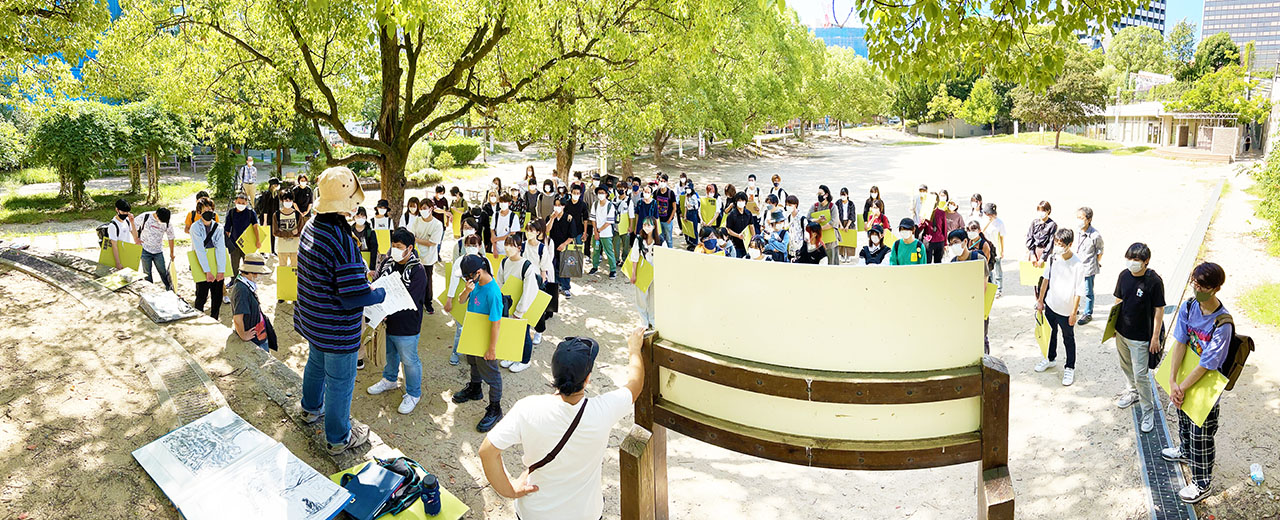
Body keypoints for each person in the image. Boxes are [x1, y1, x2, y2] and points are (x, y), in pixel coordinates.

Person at [479, 330, 646, 520]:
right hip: (585, 513)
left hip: (535, 513)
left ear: (554, 374)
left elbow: (487, 451)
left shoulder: (528, 408)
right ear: (587, 378)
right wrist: (634, 349)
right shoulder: (603, 410)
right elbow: (635, 385)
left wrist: (509, 490)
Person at [297, 167, 386, 455]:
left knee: (315, 364)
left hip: (313, 318)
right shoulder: (342, 239)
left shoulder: (311, 226)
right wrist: (381, 292)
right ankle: (338, 438)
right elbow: (353, 296)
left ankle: (310, 409)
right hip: (337, 327)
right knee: (340, 382)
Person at [1160, 262, 1231, 504]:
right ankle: (1184, 450)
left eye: (1202, 286)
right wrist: (1173, 380)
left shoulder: (1223, 324)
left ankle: (1202, 483)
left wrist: (1181, 387)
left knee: (1201, 435)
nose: (1197, 289)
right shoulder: (1189, 307)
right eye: (1195, 283)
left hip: (1205, 385)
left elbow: (1207, 364)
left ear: (1216, 288)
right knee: (1183, 417)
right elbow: (1180, 342)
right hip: (1184, 378)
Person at [366, 229, 429, 415]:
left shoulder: (418, 271)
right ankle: (390, 379)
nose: (394, 249)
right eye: (393, 245)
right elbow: (376, 283)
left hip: (407, 325)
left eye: (399, 247)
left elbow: (410, 300)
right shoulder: (387, 263)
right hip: (386, 321)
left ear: (409, 248)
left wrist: (386, 306)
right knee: (390, 353)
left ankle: (413, 393)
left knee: (409, 360)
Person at [451, 254, 508, 432]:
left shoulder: (493, 292)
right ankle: (475, 388)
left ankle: (495, 408)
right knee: (473, 363)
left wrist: (491, 349)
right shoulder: (474, 284)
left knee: (492, 374)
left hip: (485, 337)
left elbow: (496, 323)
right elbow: (461, 300)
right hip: (472, 333)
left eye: (467, 276)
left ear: (478, 272)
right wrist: (467, 290)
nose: (466, 280)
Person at [1112, 243, 1165, 434]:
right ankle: (1132, 392)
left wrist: (1155, 337)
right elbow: (1118, 300)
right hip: (1122, 333)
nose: (1131, 263)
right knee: (1125, 366)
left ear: (1146, 261)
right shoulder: (1123, 276)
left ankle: (1148, 410)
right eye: (1129, 258)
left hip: (1141, 338)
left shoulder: (1154, 282)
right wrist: (1112, 326)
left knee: (1141, 375)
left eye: (1136, 260)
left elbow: (1159, 309)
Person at [1034, 228, 1087, 386]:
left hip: (1066, 310)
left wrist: (1074, 312)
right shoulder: (1053, 258)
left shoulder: (1077, 265)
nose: (1057, 246)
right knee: (1050, 334)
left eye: (1061, 244)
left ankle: (1070, 367)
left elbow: (1078, 291)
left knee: (1068, 338)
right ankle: (1050, 358)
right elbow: (1046, 279)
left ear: (1070, 244)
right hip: (1051, 304)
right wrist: (1040, 301)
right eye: (1056, 243)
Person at [498, 235, 542, 373]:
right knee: (511, 331)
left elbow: (529, 290)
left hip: (523, 305)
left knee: (524, 332)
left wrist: (520, 310)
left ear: (519, 248)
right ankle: (512, 356)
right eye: (506, 244)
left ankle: (525, 360)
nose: (508, 248)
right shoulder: (504, 262)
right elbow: (500, 283)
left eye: (512, 245)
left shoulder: (526, 265)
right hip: (508, 303)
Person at [446, 233, 484, 365]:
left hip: (479, 298)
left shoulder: (485, 261)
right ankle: (456, 352)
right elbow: (453, 281)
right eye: (468, 245)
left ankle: (473, 353)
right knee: (460, 327)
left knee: (478, 326)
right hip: (463, 295)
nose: (471, 247)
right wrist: (449, 299)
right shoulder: (460, 261)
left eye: (474, 245)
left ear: (479, 246)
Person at [522, 220, 558, 345]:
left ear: (538, 232)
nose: (528, 233)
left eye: (531, 230)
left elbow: (544, 269)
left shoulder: (541, 248)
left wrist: (541, 284)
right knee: (523, 306)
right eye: (527, 230)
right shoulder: (522, 246)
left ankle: (539, 331)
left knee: (538, 309)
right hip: (523, 279)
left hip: (536, 280)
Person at [231, 253, 274, 351]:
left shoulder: (245, 283)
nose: (261, 277)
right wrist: (243, 335)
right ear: (252, 273)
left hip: (259, 330)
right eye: (260, 273)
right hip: (255, 338)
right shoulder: (241, 290)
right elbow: (237, 318)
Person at [190, 206, 227, 319]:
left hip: (216, 263)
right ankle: (198, 319)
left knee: (217, 296)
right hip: (201, 265)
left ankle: (214, 318)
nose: (208, 213)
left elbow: (221, 248)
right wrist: (207, 271)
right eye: (205, 211)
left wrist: (221, 271)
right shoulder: (195, 227)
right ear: (199, 212)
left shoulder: (219, 227)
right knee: (201, 295)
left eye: (210, 210)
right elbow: (199, 250)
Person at [224, 192, 260, 303]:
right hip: (234, 244)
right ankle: (234, 281)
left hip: (247, 245)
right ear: (235, 202)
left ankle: (248, 282)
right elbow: (227, 229)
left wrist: (258, 240)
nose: (241, 204)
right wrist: (227, 242)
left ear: (247, 203)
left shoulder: (250, 213)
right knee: (234, 264)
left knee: (248, 265)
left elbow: (255, 227)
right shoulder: (231, 213)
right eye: (239, 202)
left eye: (243, 203)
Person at [409, 198, 444, 314]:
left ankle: (428, 302)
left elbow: (432, 242)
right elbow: (411, 235)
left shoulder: (437, 224)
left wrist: (417, 239)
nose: (422, 211)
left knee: (428, 279)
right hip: (416, 255)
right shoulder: (417, 220)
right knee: (415, 279)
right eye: (421, 208)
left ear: (431, 209)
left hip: (429, 257)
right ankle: (416, 300)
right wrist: (417, 240)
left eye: (425, 208)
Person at [629, 219, 664, 328]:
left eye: (649, 225)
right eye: (644, 224)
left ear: (654, 226)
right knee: (641, 298)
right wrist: (634, 274)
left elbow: (665, 257)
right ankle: (644, 320)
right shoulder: (639, 239)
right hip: (643, 270)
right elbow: (634, 257)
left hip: (655, 272)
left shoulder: (660, 240)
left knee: (653, 297)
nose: (646, 227)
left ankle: (653, 319)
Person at [1074, 207, 1104, 324]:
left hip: (1088, 267)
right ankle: (1075, 308)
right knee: (1075, 288)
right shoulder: (1077, 231)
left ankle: (1087, 313)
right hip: (1077, 265)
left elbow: (1100, 252)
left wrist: (1095, 262)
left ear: (1089, 219)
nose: (1079, 220)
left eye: (1081, 218)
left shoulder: (1095, 235)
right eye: (1077, 217)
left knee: (1088, 291)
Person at [136, 207, 176, 291]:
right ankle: (150, 291)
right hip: (145, 250)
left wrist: (172, 253)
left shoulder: (166, 221)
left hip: (158, 251)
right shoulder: (145, 216)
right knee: (147, 273)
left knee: (163, 271)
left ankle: (170, 289)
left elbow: (171, 237)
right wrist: (136, 239)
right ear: (157, 216)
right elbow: (133, 226)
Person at [587, 186, 618, 278]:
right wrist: (595, 231)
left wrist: (599, 230)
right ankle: (595, 267)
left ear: (606, 194)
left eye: (602, 193)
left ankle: (613, 269)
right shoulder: (595, 204)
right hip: (596, 233)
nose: (600, 194)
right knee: (596, 250)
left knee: (609, 251)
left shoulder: (610, 206)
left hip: (606, 233)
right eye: (599, 193)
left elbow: (609, 222)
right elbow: (593, 218)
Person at [273, 192, 306, 270]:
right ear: (282, 201)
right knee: (283, 270)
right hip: (282, 248)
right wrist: (291, 233)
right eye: (286, 200)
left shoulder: (297, 214)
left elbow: (301, 231)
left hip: (295, 248)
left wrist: (283, 233)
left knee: (295, 270)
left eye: (290, 200)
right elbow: (275, 232)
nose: (288, 202)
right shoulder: (277, 215)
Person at [981, 203, 1007, 296]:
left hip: (996, 249)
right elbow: (980, 232)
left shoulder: (1000, 223)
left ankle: (999, 289)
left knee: (997, 270)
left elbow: (1002, 237)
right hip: (986, 249)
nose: (990, 216)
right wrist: (988, 222)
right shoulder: (983, 221)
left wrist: (1002, 250)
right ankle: (990, 288)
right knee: (989, 271)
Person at [106, 199, 139, 270]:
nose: (125, 214)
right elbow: (114, 245)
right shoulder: (113, 226)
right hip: (119, 255)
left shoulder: (127, 220)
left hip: (127, 252)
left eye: (127, 212)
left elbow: (135, 236)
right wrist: (118, 263)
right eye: (123, 212)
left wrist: (132, 222)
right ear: (117, 210)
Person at [809, 185, 838, 265]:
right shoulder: (814, 206)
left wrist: (820, 228)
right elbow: (808, 219)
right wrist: (817, 220)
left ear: (826, 195)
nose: (819, 196)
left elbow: (833, 222)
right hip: (818, 242)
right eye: (818, 194)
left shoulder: (833, 207)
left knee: (831, 263)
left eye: (821, 194)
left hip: (830, 241)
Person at [1025, 201, 1057, 267]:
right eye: (1039, 210)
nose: (1040, 213)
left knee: (1044, 271)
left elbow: (1051, 242)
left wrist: (1043, 258)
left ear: (1048, 211)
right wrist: (1032, 254)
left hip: (1045, 252)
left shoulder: (1052, 225)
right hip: (1034, 251)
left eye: (1043, 211)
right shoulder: (1034, 222)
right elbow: (1029, 237)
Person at [723, 193, 753, 258]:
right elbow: (728, 229)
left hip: (746, 243)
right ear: (736, 202)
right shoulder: (731, 215)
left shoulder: (748, 213)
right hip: (736, 244)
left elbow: (751, 226)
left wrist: (753, 238)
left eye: (743, 200)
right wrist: (738, 235)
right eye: (739, 200)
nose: (741, 202)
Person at [256, 178, 281, 254]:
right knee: (264, 234)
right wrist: (265, 221)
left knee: (272, 234)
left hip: (272, 217)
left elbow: (277, 208)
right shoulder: (267, 194)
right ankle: (262, 251)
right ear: (273, 185)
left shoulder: (276, 194)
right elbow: (265, 208)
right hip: (265, 217)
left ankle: (272, 250)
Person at [653, 174, 678, 248]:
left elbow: (674, 208)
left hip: (667, 221)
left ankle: (670, 252)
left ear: (667, 182)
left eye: (664, 181)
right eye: (661, 181)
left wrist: (670, 219)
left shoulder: (671, 193)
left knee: (668, 239)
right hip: (658, 220)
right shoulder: (656, 192)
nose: (662, 183)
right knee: (660, 238)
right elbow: (653, 205)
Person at [351, 207, 379, 271]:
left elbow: (374, 249)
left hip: (367, 258)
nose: (360, 218)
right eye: (358, 216)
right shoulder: (350, 231)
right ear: (354, 217)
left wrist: (372, 268)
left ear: (366, 217)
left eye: (363, 216)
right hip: (354, 259)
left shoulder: (370, 231)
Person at [923, 192, 947, 264]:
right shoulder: (925, 212)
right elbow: (922, 227)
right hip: (929, 241)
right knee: (927, 262)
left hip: (939, 240)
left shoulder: (941, 213)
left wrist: (945, 243)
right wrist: (922, 222)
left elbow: (944, 228)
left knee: (938, 262)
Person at [835, 187, 858, 261]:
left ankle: (848, 255)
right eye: (841, 194)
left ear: (847, 195)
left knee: (849, 238)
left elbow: (852, 215)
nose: (843, 196)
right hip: (840, 222)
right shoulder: (837, 203)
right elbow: (836, 214)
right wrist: (840, 225)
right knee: (840, 238)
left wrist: (847, 225)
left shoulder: (851, 204)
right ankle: (842, 255)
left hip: (849, 223)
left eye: (844, 194)